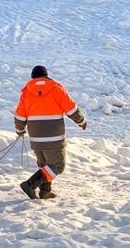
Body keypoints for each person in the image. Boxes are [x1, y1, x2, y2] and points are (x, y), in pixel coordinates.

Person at [14, 65, 87, 199]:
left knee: (45, 166)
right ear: (46, 76)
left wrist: (19, 130)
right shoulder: (56, 89)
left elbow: (20, 115)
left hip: (36, 139)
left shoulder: (26, 93)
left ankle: (45, 191)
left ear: (33, 78)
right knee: (57, 166)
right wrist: (81, 122)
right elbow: (71, 109)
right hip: (54, 137)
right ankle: (30, 184)